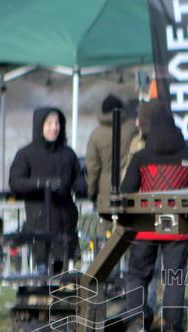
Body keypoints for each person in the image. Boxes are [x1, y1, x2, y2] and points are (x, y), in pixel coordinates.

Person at [120, 104, 188, 332]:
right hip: (178, 226)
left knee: (138, 275)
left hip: (146, 225)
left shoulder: (141, 157)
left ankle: (135, 323)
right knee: (173, 278)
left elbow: (126, 191)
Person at [9, 107, 86, 274]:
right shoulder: (26, 154)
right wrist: (41, 184)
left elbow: (77, 176)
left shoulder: (68, 154)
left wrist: (80, 184)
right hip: (39, 223)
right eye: (49, 123)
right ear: (40, 126)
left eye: (57, 123)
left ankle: (60, 296)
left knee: (61, 272)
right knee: (42, 273)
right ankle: (41, 293)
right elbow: (15, 183)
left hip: (65, 223)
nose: (54, 127)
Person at [85, 94, 137, 206]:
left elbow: (93, 168)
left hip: (105, 192)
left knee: (108, 222)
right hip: (131, 187)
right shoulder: (133, 128)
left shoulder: (96, 135)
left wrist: (91, 192)